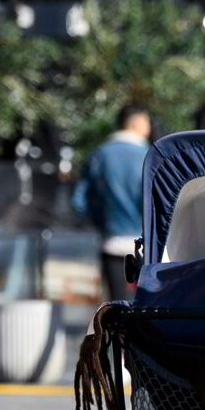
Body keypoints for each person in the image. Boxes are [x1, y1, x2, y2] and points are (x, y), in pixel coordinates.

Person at [72, 104, 153, 300]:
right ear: (137, 122)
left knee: (118, 308)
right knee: (147, 308)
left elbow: (78, 202)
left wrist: (101, 223)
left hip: (112, 243)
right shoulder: (150, 156)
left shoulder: (100, 154)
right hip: (148, 248)